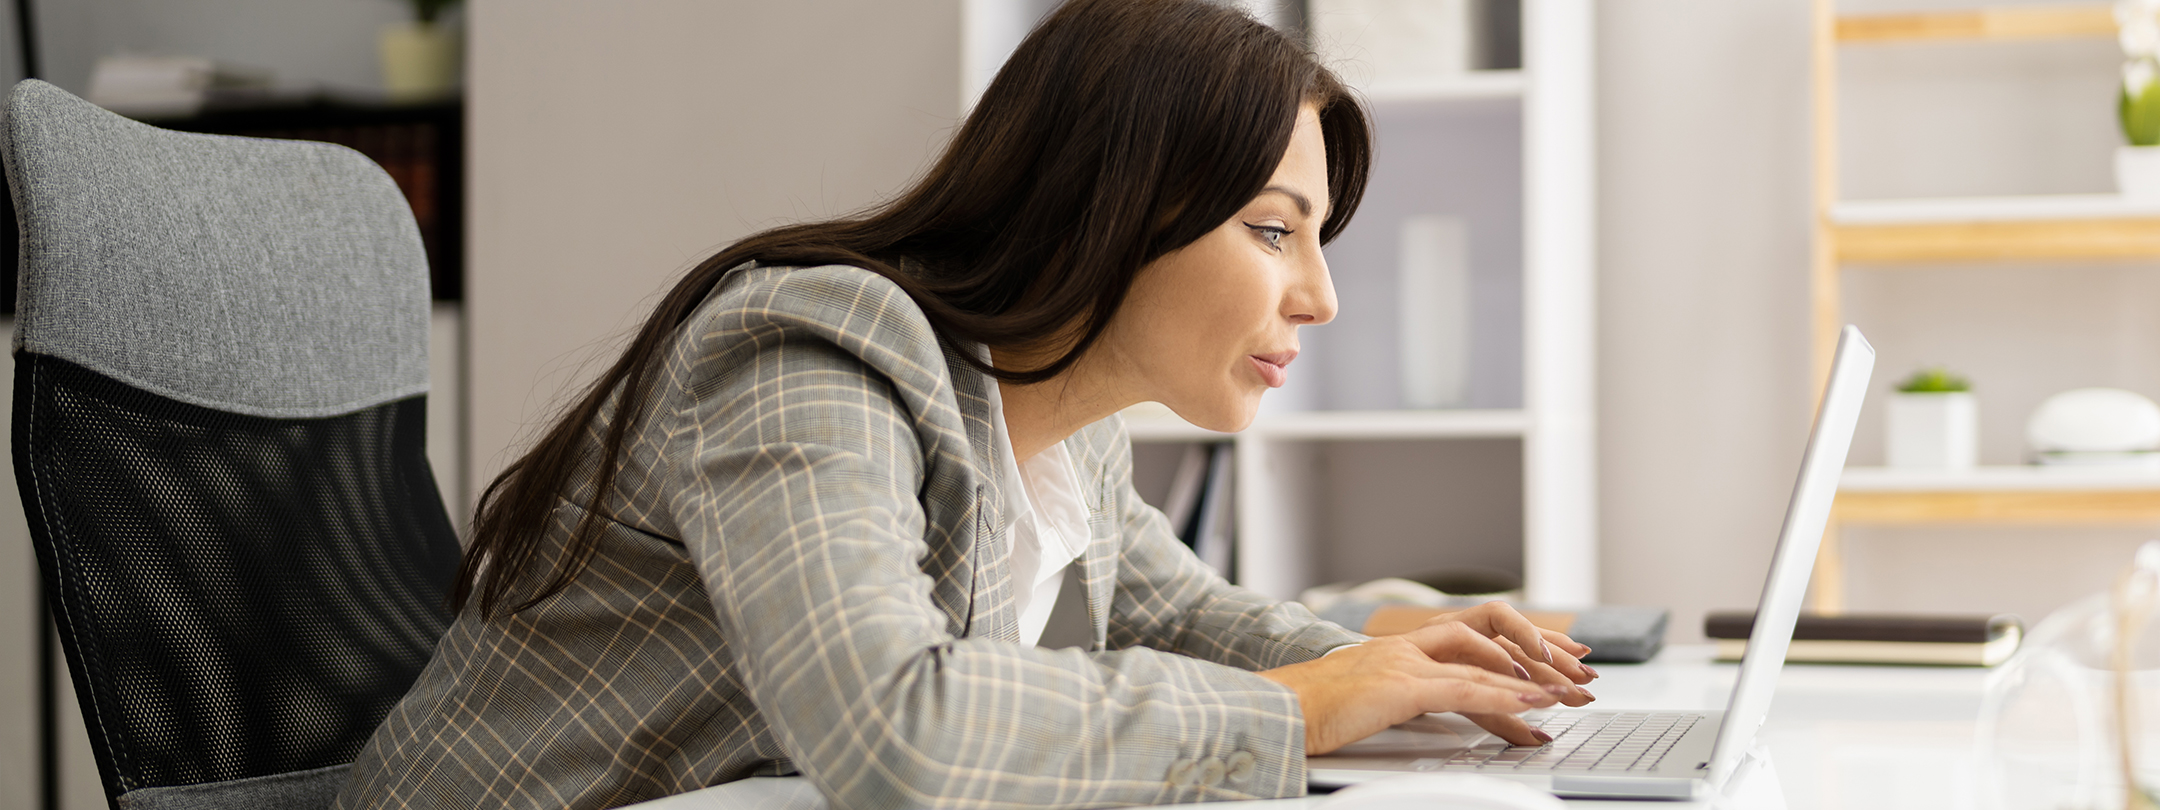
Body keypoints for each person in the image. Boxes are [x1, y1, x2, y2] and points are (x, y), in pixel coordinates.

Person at [336, 1, 1597, 808]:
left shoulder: (1059, 422)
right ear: (1112, 206)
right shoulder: (806, 353)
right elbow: (894, 723)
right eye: (1274, 231)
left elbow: (1186, 612)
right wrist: (1307, 706)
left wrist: (1392, 664)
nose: (1319, 298)